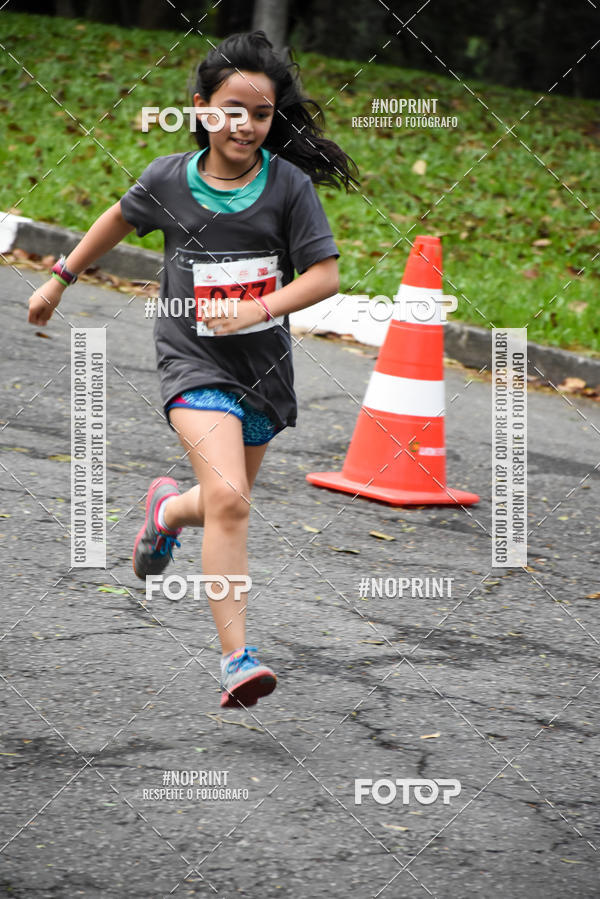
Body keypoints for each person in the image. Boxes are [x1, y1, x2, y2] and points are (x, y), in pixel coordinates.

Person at [27, 30, 359, 710]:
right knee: (233, 500)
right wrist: (61, 276)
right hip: (191, 359)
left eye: (261, 114)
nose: (246, 125)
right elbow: (118, 219)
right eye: (233, 109)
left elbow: (325, 276)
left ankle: (165, 513)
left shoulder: (288, 187)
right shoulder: (169, 180)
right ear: (204, 108)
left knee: (218, 503)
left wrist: (259, 307)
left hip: (263, 372)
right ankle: (236, 658)